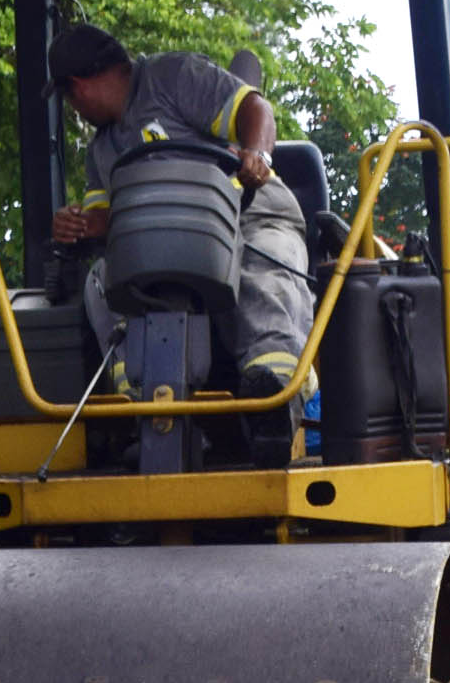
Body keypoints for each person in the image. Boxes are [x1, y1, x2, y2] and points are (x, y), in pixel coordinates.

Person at [45, 23, 311, 462]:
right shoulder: (101, 151)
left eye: (70, 100)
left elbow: (254, 108)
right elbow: (107, 221)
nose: (74, 109)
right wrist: (80, 225)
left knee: (264, 270)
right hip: (163, 250)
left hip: (248, 216)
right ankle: (147, 409)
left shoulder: (172, 76)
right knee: (103, 278)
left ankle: (274, 401)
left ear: (78, 87)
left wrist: (257, 156)